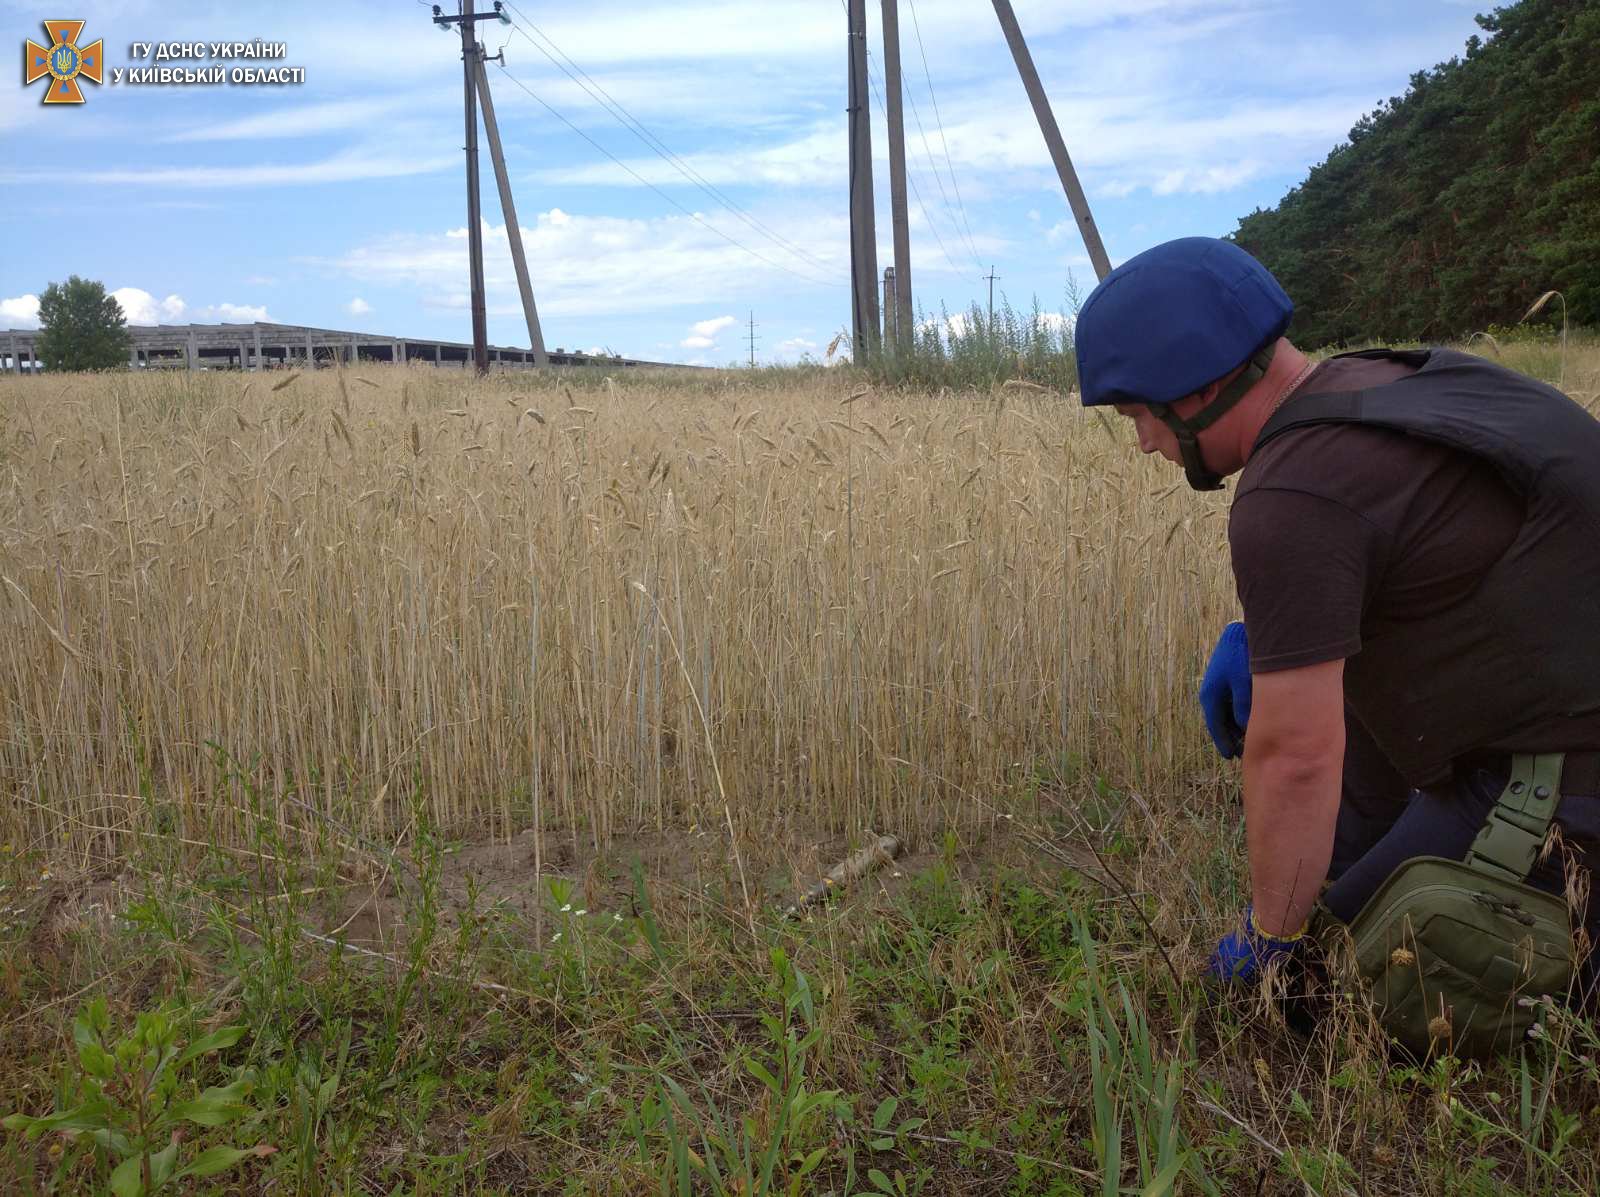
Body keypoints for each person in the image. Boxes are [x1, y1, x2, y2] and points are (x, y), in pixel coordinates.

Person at [1072, 236, 1600, 1052]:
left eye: (1139, 413)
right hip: (1549, 728)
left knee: (1323, 1003)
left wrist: (1272, 941)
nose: (1143, 441)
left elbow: (1295, 757)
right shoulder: (1390, 383)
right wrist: (1275, 636)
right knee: (1338, 899)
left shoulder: (1287, 494)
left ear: (1202, 386)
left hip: (1563, 797)